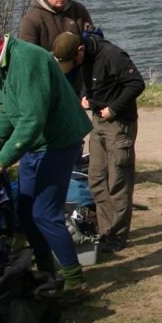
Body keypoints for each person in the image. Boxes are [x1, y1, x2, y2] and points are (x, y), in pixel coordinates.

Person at [0, 17, 94, 301]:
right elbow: (8, 109)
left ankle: (75, 283)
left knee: (45, 214)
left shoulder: (27, 60)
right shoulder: (0, 66)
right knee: (27, 214)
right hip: (36, 145)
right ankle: (47, 273)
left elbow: (32, 120)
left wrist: (2, 160)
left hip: (58, 142)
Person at [53, 31, 145, 253]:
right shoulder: (82, 57)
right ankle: (106, 231)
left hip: (119, 125)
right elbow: (86, 77)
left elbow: (136, 83)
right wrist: (85, 95)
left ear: (80, 51)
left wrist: (113, 108)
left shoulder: (112, 55)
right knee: (96, 179)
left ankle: (117, 237)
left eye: (71, 62)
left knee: (118, 183)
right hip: (97, 123)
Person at [18, 0, 94, 50]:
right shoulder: (32, 19)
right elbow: (27, 52)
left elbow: (93, 38)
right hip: (48, 61)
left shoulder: (79, 10)